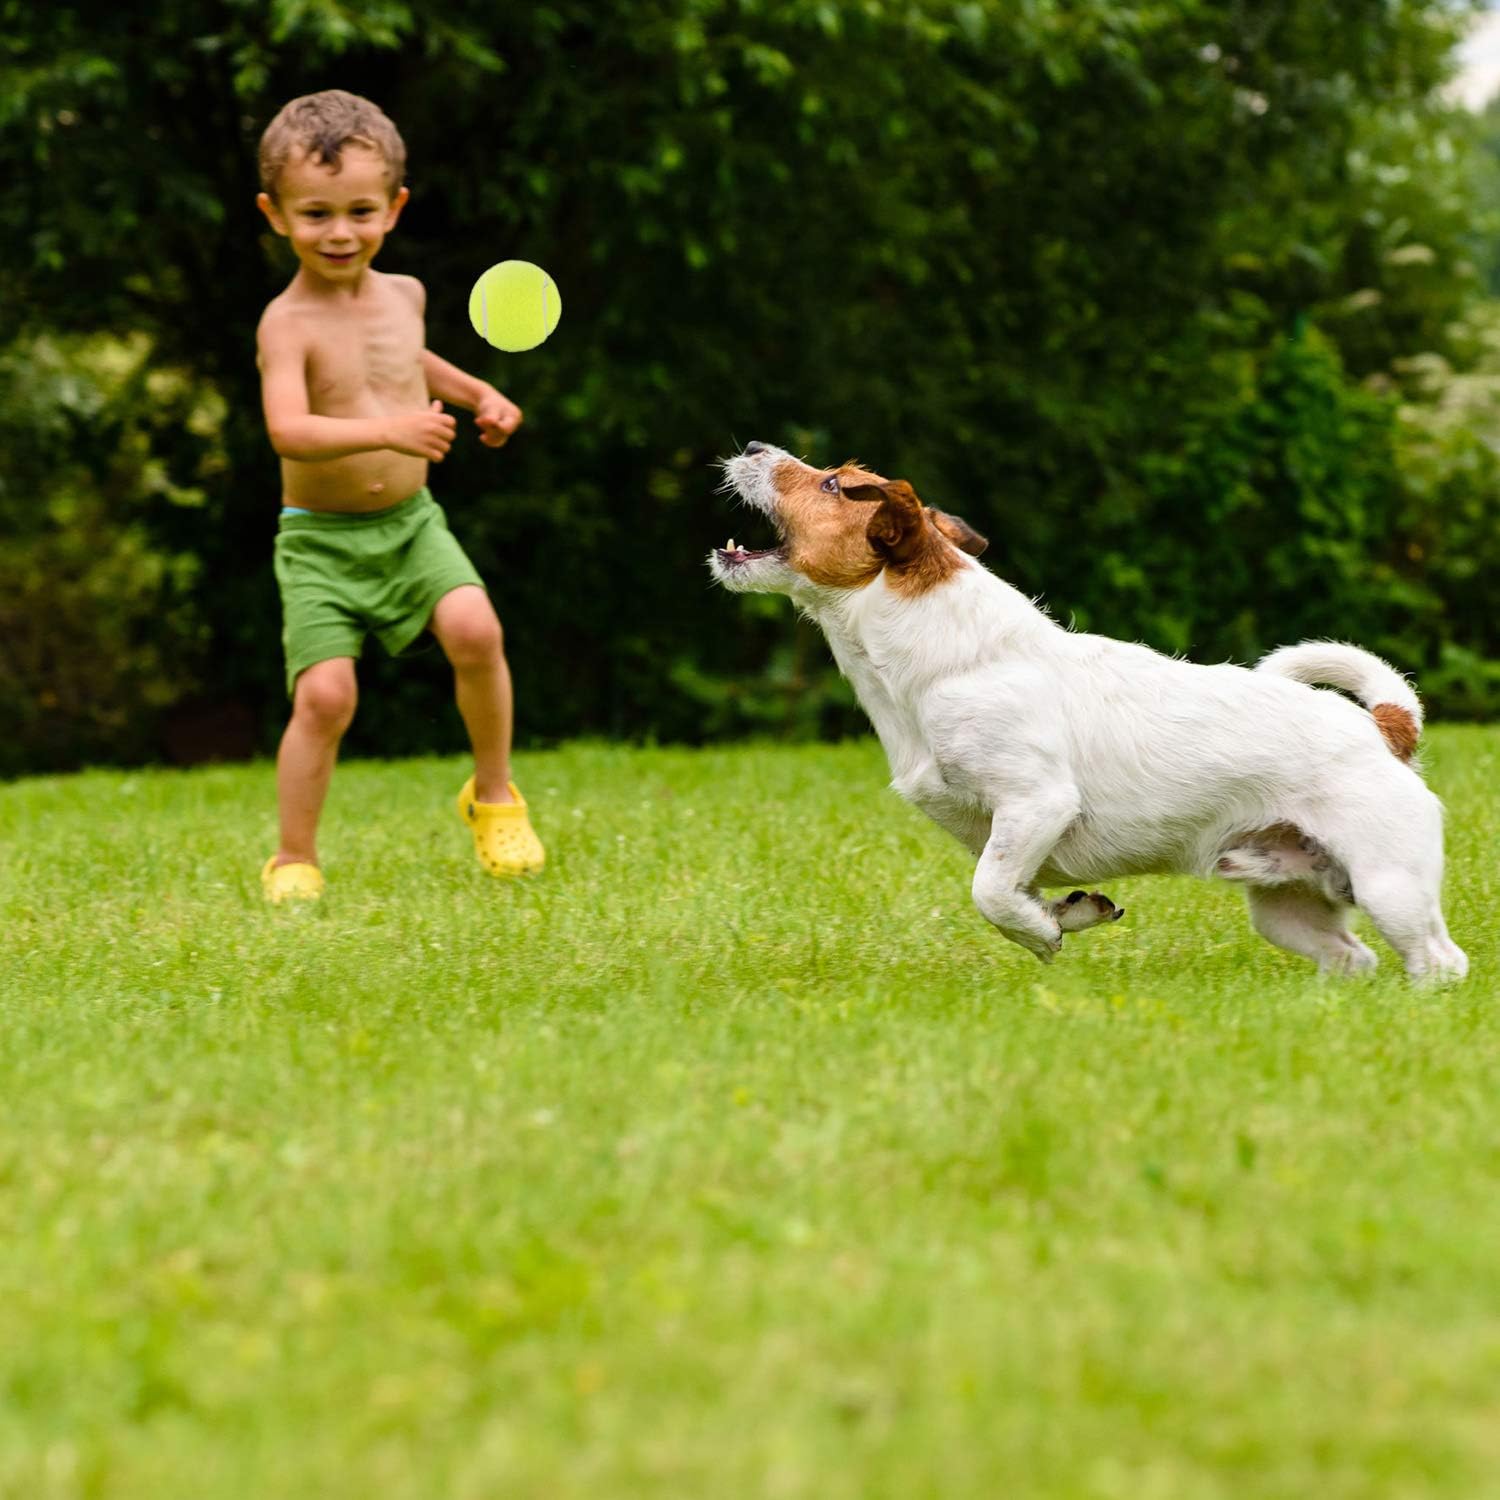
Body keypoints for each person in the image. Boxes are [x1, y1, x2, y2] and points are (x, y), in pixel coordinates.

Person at [253, 89, 544, 902]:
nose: (340, 232)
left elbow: (410, 361)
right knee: (325, 696)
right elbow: (287, 429)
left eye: (359, 211)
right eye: (315, 214)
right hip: (320, 540)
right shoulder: (286, 323)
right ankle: (294, 857)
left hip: (412, 524)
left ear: (394, 208)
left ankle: (495, 797)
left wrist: (478, 393)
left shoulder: (404, 295)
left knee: (476, 629)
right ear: (275, 215)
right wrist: (388, 431)